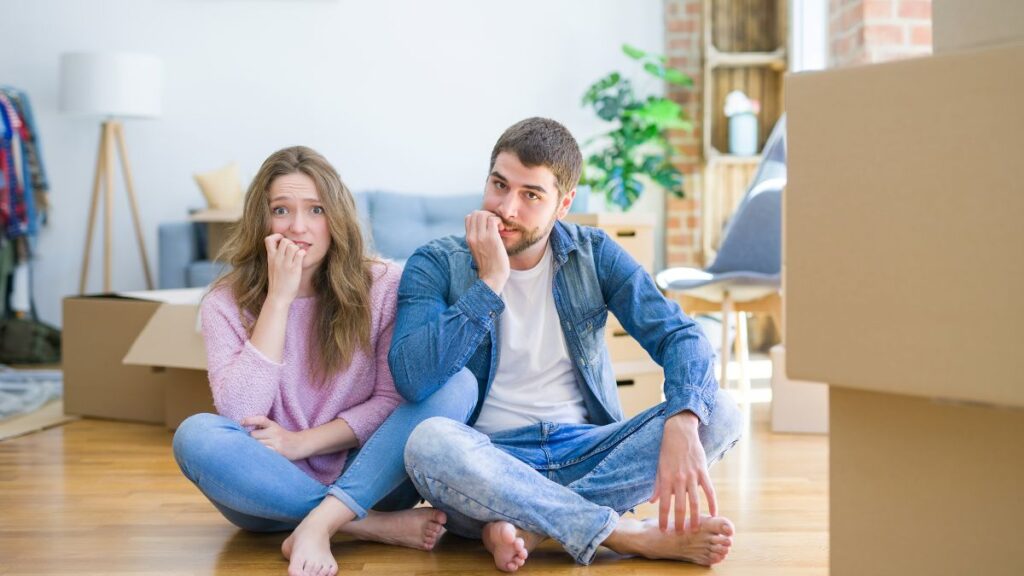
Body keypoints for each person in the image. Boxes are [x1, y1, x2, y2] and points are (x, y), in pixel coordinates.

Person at [390, 118, 744, 572]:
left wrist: (682, 417)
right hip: (491, 460)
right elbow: (411, 377)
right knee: (429, 442)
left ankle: (529, 525)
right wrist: (489, 284)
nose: (507, 208)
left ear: (564, 204)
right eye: (499, 185)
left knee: (721, 410)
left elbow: (680, 334)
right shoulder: (436, 262)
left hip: (586, 450)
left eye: (531, 195)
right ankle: (620, 532)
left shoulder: (594, 254)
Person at [172, 146, 476, 576]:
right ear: (262, 219)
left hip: (370, 478)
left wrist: (303, 442)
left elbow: (394, 399)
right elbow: (241, 413)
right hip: (266, 491)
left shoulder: (383, 284)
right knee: (195, 435)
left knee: (454, 381)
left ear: (336, 218)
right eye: (281, 210)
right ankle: (364, 527)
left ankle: (324, 522)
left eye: (315, 209)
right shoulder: (225, 302)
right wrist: (278, 298)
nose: (299, 227)